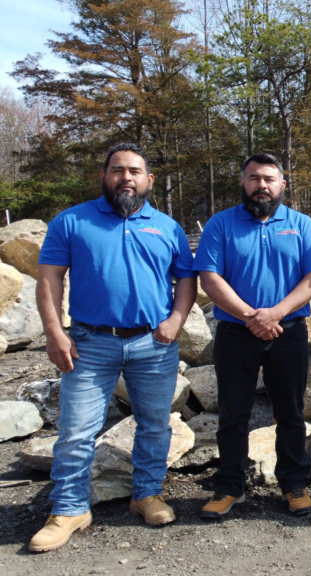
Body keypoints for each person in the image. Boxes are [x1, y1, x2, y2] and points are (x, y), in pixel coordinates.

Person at [29, 143, 197, 552]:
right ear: (104, 176)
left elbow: (186, 281)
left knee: (155, 425)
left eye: (135, 171)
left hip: (152, 344)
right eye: (117, 170)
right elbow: (50, 279)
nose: (126, 177)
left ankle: (147, 494)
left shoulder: (168, 227)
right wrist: (54, 332)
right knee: (76, 430)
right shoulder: (72, 221)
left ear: (148, 180)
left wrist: (175, 321)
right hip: (88, 343)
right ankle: (69, 508)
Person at [193, 153, 311, 518]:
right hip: (235, 334)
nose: (261, 186)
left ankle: (294, 484)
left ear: (282, 185)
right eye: (254, 178)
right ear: (243, 183)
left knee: (290, 412)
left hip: (288, 333)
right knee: (232, 413)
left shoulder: (302, 225)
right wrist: (251, 317)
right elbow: (210, 278)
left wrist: (275, 314)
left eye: (269, 179)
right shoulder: (220, 225)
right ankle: (229, 487)